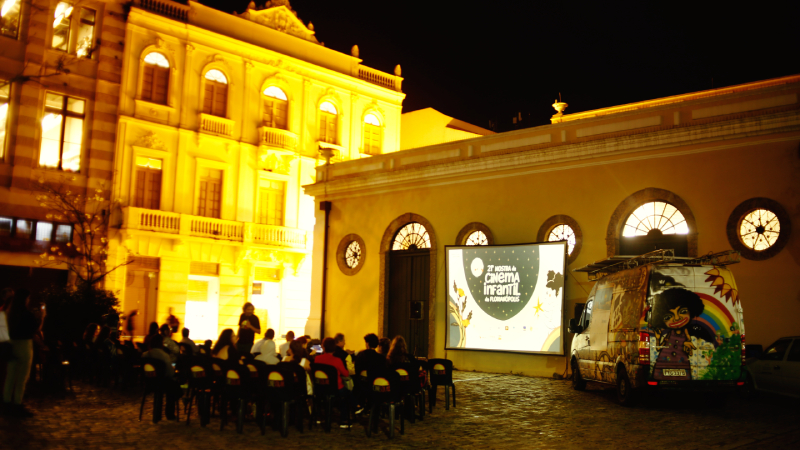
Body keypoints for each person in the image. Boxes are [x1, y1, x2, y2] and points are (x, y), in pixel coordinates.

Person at [2, 289, 40, 417]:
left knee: (11, 375)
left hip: (11, 345)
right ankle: (17, 403)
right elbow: (35, 328)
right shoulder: (27, 314)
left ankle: (6, 402)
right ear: (25, 300)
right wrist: (42, 317)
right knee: (22, 377)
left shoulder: (8, 313)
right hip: (24, 345)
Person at [315, 337, 354, 427]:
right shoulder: (337, 360)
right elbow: (345, 373)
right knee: (348, 394)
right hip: (336, 388)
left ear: (323, 347)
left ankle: (318, 417)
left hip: (320, 388)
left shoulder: (317, 359)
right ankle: (344, 419)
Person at [142, 335, 182, 420]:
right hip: (162, 382)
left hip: (149, 382)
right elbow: (170, 373)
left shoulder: (144, 355)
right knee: (173, 386)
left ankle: (158, 415)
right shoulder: (164, 356)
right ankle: (169, 413)